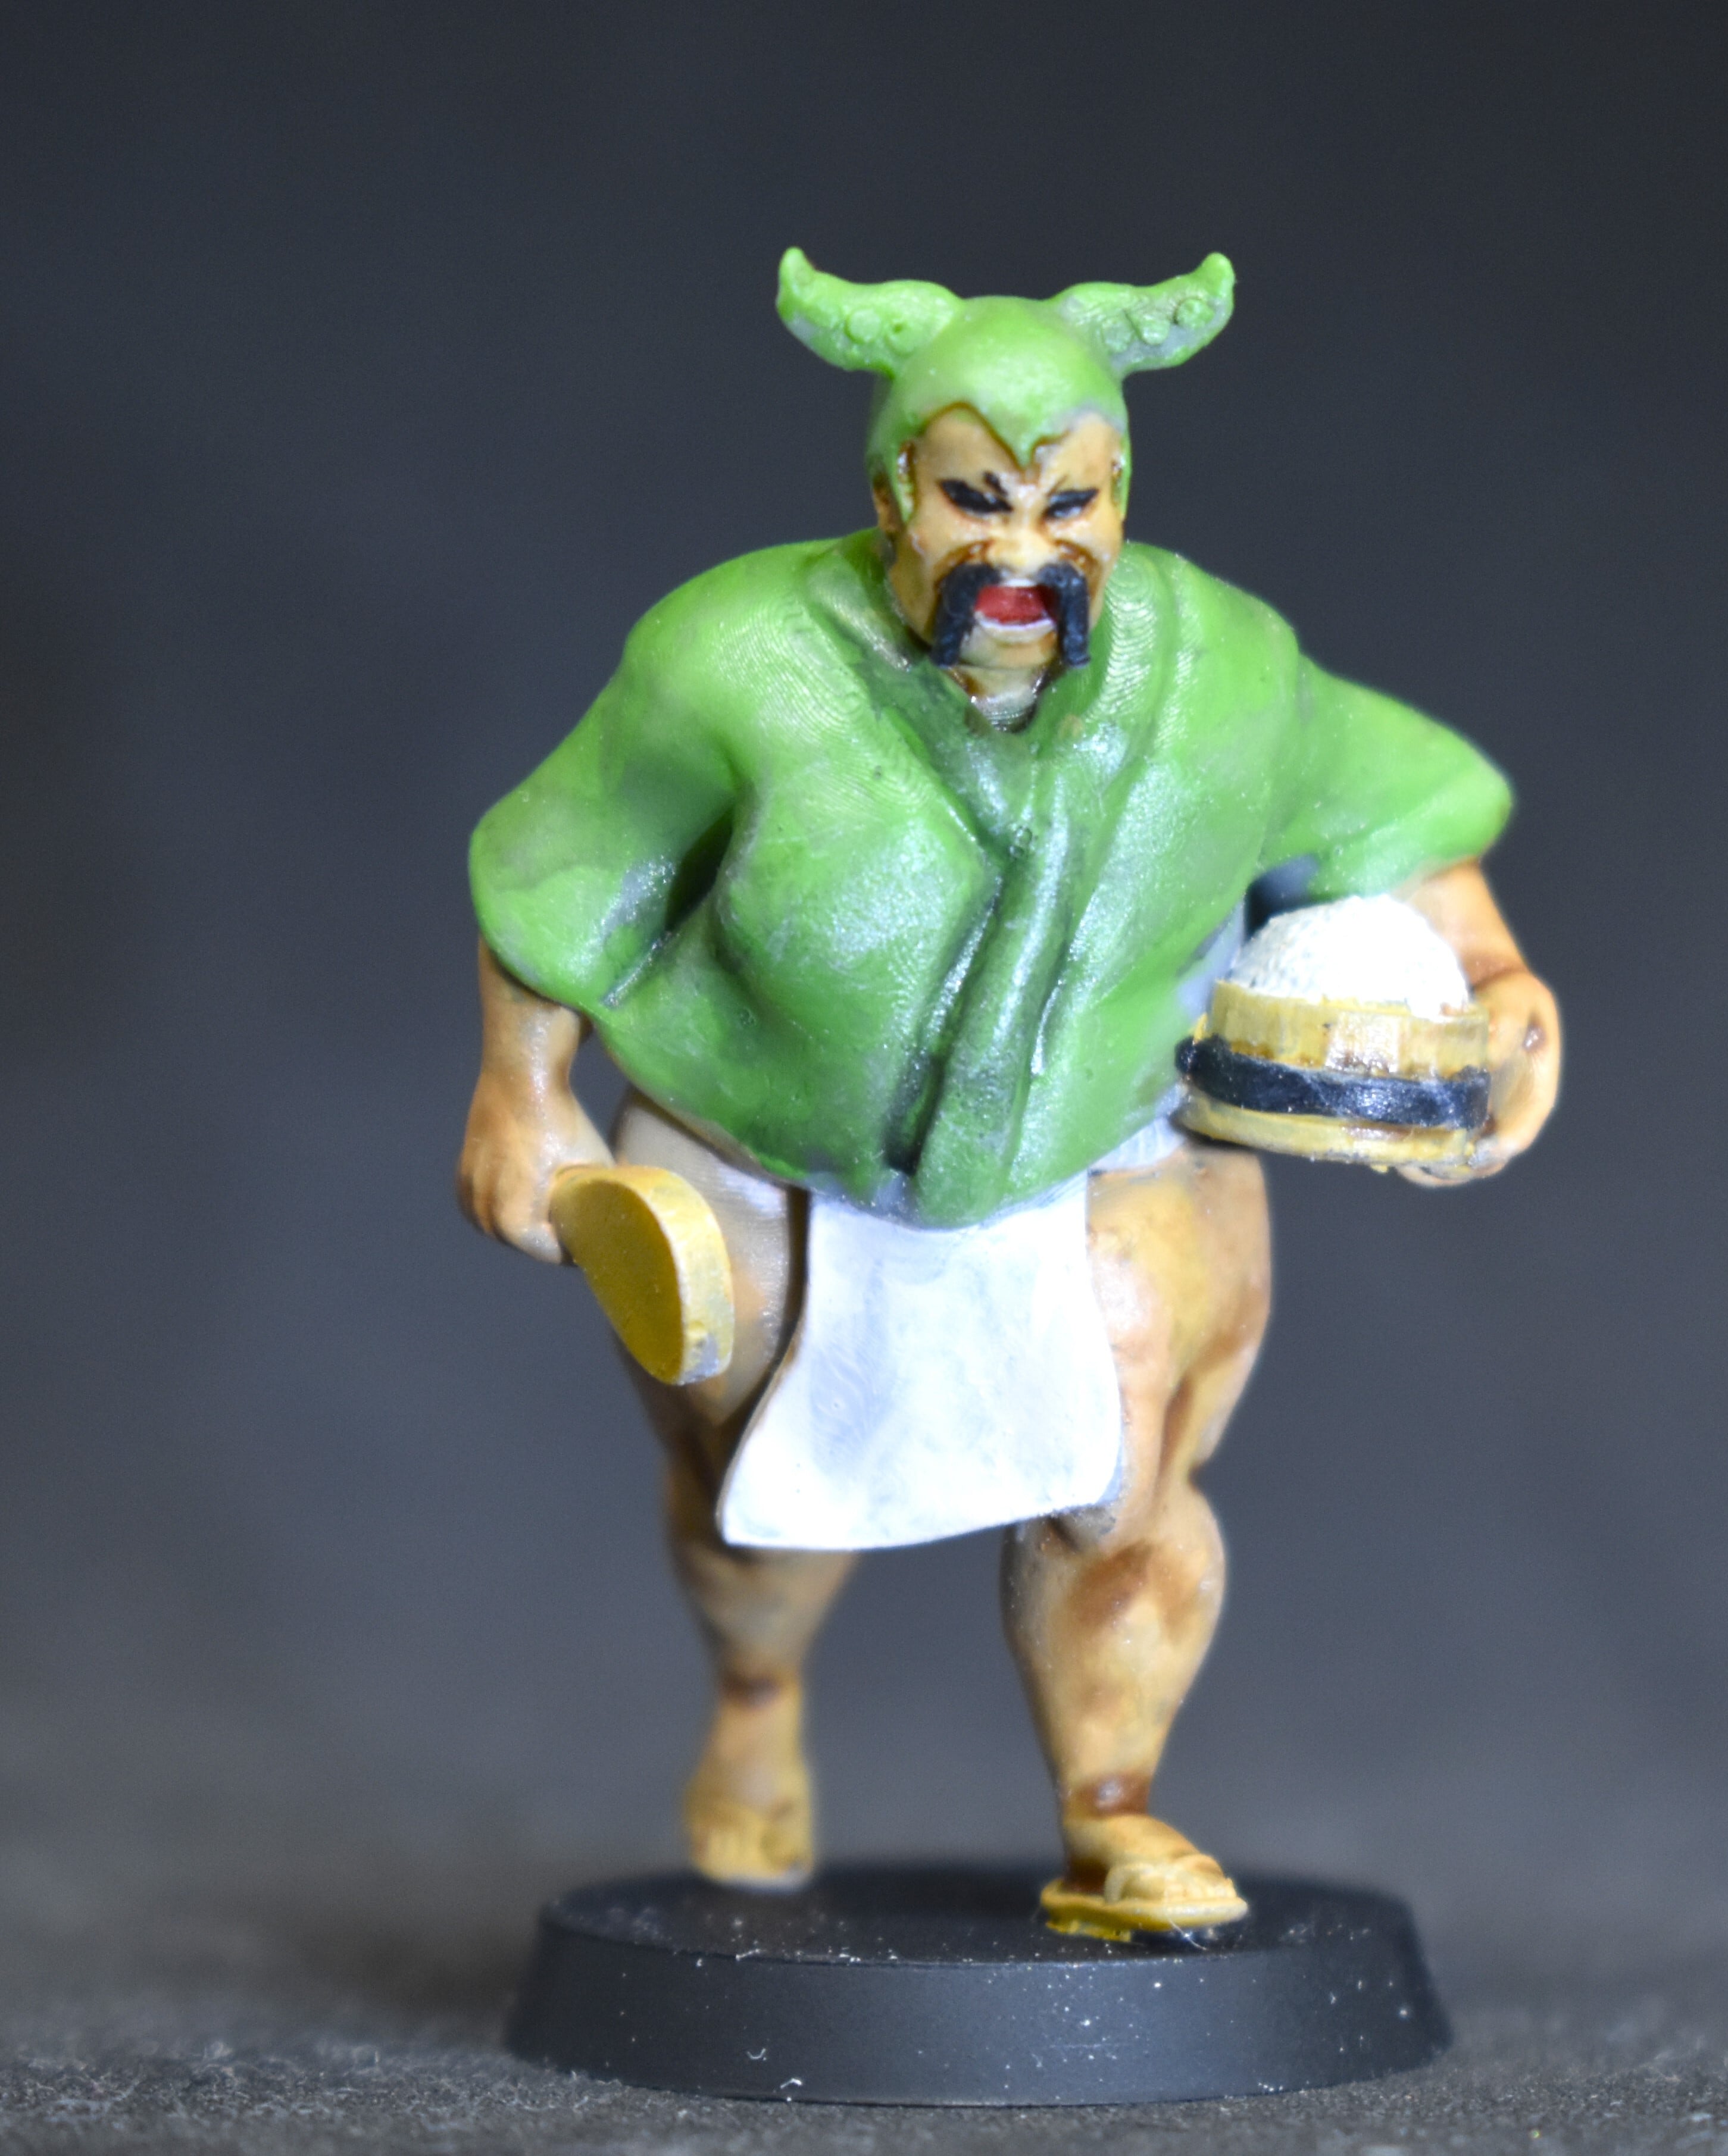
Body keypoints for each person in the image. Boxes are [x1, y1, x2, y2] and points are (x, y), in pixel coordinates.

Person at [458, 251, 1561, 1936]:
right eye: (977, 502)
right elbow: (564, 868)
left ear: (1123, 497)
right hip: (764, 1139)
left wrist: (1490, 976)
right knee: (756, 1500)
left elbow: (1393, 816)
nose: (1026, 551)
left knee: (1123, 1475)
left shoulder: (1226, 676)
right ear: (893, 494)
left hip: (1106, 1150)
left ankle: (1110, 1811)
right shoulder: (732, 658)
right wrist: (521, 1088)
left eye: (1071, 504)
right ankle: (755, 1694)